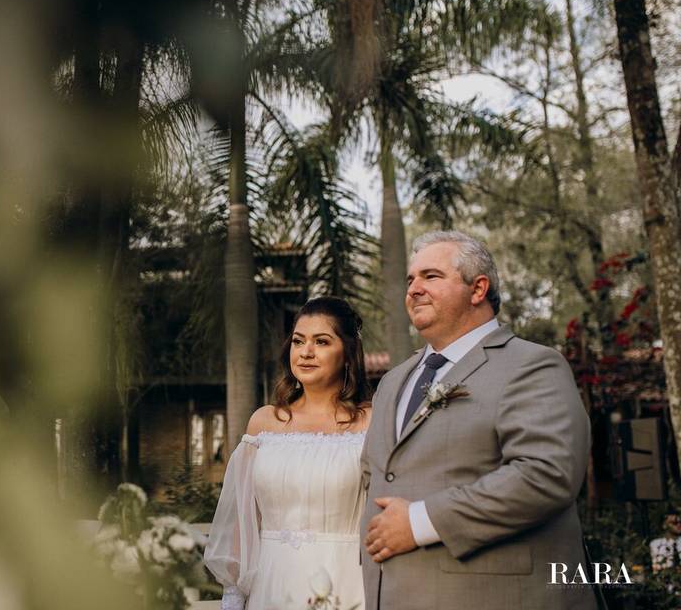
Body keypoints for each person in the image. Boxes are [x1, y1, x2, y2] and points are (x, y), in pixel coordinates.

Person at [359, 231, 596, 609]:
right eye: (410, 279)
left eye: (431, 276)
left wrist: (420, 521)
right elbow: (376, 475)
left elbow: (546, 473)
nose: (414, 289)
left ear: (478, 288)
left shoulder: (532, 365)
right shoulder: (391, 381)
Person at [205, 296, 371, 610]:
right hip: (270, 585)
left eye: (321, 341)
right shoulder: (263, 422)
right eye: (298, 341)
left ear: (348, 354)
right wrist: (233, 597)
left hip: (347, 582)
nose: (306, 352)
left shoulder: (372, 422)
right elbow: (244, 519)